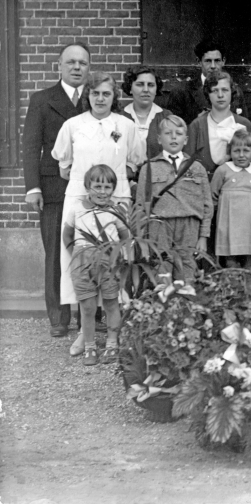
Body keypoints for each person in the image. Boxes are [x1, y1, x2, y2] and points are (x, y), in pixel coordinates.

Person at [52, 71, 146, 355]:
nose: (101, 98)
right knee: (80, 264)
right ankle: (85, 332)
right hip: (81, 200)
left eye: (106, 93)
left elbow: (135, 163)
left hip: (115, 201)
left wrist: (112, 186)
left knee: (116, 262)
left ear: (114, 96)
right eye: (95, 93)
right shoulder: (72, 125)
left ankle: (115, 333)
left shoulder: (125, 125)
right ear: (88, 96)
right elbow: (64, 165)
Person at [23, 41, 90, 338]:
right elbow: (30, 146)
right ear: (59, 66)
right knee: (56, 252)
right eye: (71, 62)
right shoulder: (42, 99)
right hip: (53, 187)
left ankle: (92, 315)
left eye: (83, 63)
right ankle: (58, 317)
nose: (77, 67)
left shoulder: (96, 98)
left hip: (91, 188)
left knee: (92, 249)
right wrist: (33, 187)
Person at [62, 165, 129, 366]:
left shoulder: (115, 211)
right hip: (83, 263)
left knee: (111, 303)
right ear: (87, 187)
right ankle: (90, 346)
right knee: (88, 307)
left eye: (107, 187)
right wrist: (77, 254)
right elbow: (67, 234)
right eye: (97, 186)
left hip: (109, 262)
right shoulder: (77, 208)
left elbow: (126, 236)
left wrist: (121, 257)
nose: (102, 191)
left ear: (113, 189)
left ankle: (112, 344)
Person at [135, 115, 213, 282]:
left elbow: (207, 204)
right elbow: (141, 204)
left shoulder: (196, 167)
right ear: (159, 139)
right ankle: (163, 306)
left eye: (178, 133)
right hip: (159, 225)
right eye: (168, 133)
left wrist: (203, 236)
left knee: (186, 271)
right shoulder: (149, 168)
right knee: (161, 269)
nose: (173, 137)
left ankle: (185, 305)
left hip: (189, 226)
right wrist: (143, 240)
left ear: (185, 140)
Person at [183, 71, 251, 177]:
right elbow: (186, 166)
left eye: (225, 90)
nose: (220, 95)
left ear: (232, 92)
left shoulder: (244, 124)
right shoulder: (197, 126)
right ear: (207, 94)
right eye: (214, 90)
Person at [210, 128, 251, 270]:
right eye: (236, 151)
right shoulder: (223, 171)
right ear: (230, 152)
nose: (241, 155)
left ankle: (250, 287)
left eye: (246, 151)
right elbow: (213, 195)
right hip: (229, 224)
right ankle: (232, 287)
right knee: (230, 262)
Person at [166, 39, 248, 125]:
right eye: (208, 61)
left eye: (217, 61)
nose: (213, 66)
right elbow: (173, 129)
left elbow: (244, 129)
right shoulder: (181, 92)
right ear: (198, 62)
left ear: (223, 61)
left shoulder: (235, 91)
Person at [121, 65, 172, 159]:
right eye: (140, 84)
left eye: (151, 85)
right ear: (130, 88)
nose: (145, 90)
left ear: (156, 89)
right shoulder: (119, 116)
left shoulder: (166, 117)